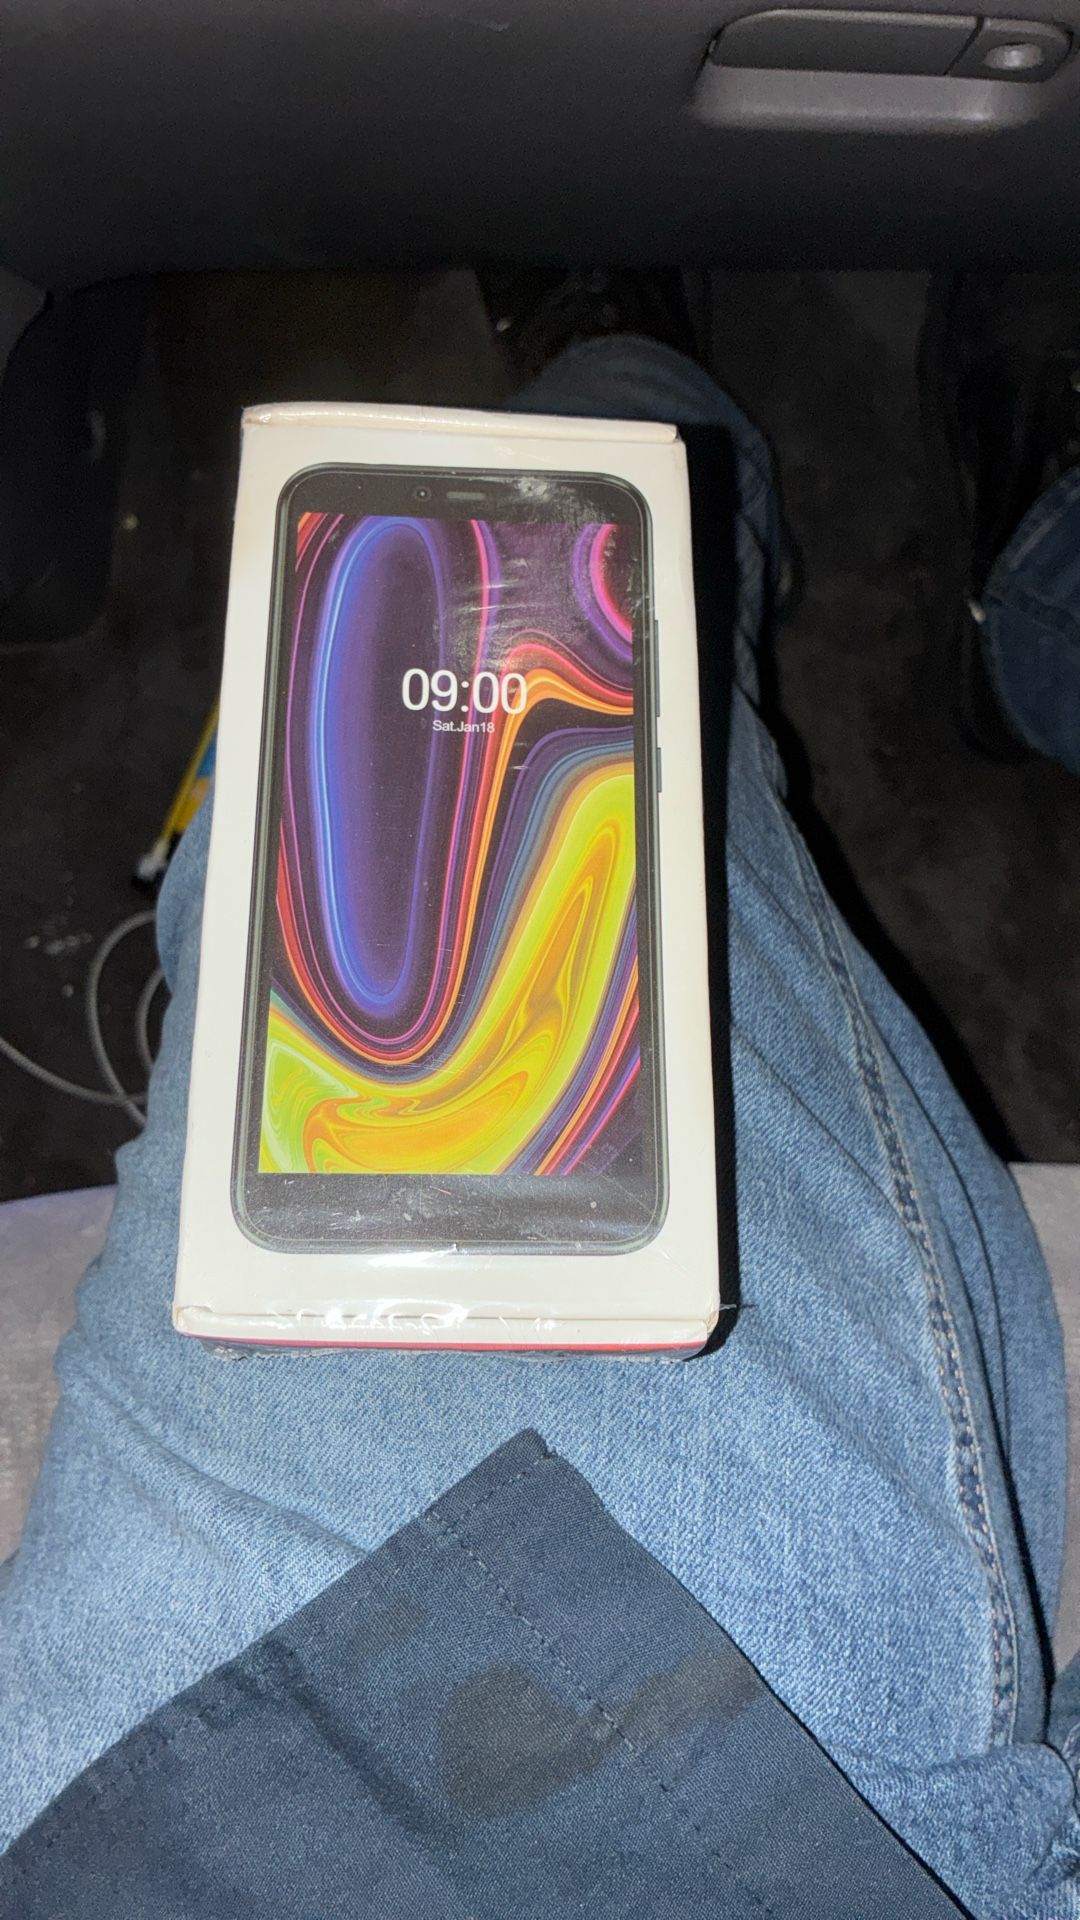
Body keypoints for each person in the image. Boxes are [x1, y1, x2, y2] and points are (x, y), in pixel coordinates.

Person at [1, 321, 1077, 1918]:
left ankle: (637, 381)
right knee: (562, 585)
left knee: (326, 739)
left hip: (199, 1798)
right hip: (661, 1771)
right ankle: (640, 367)